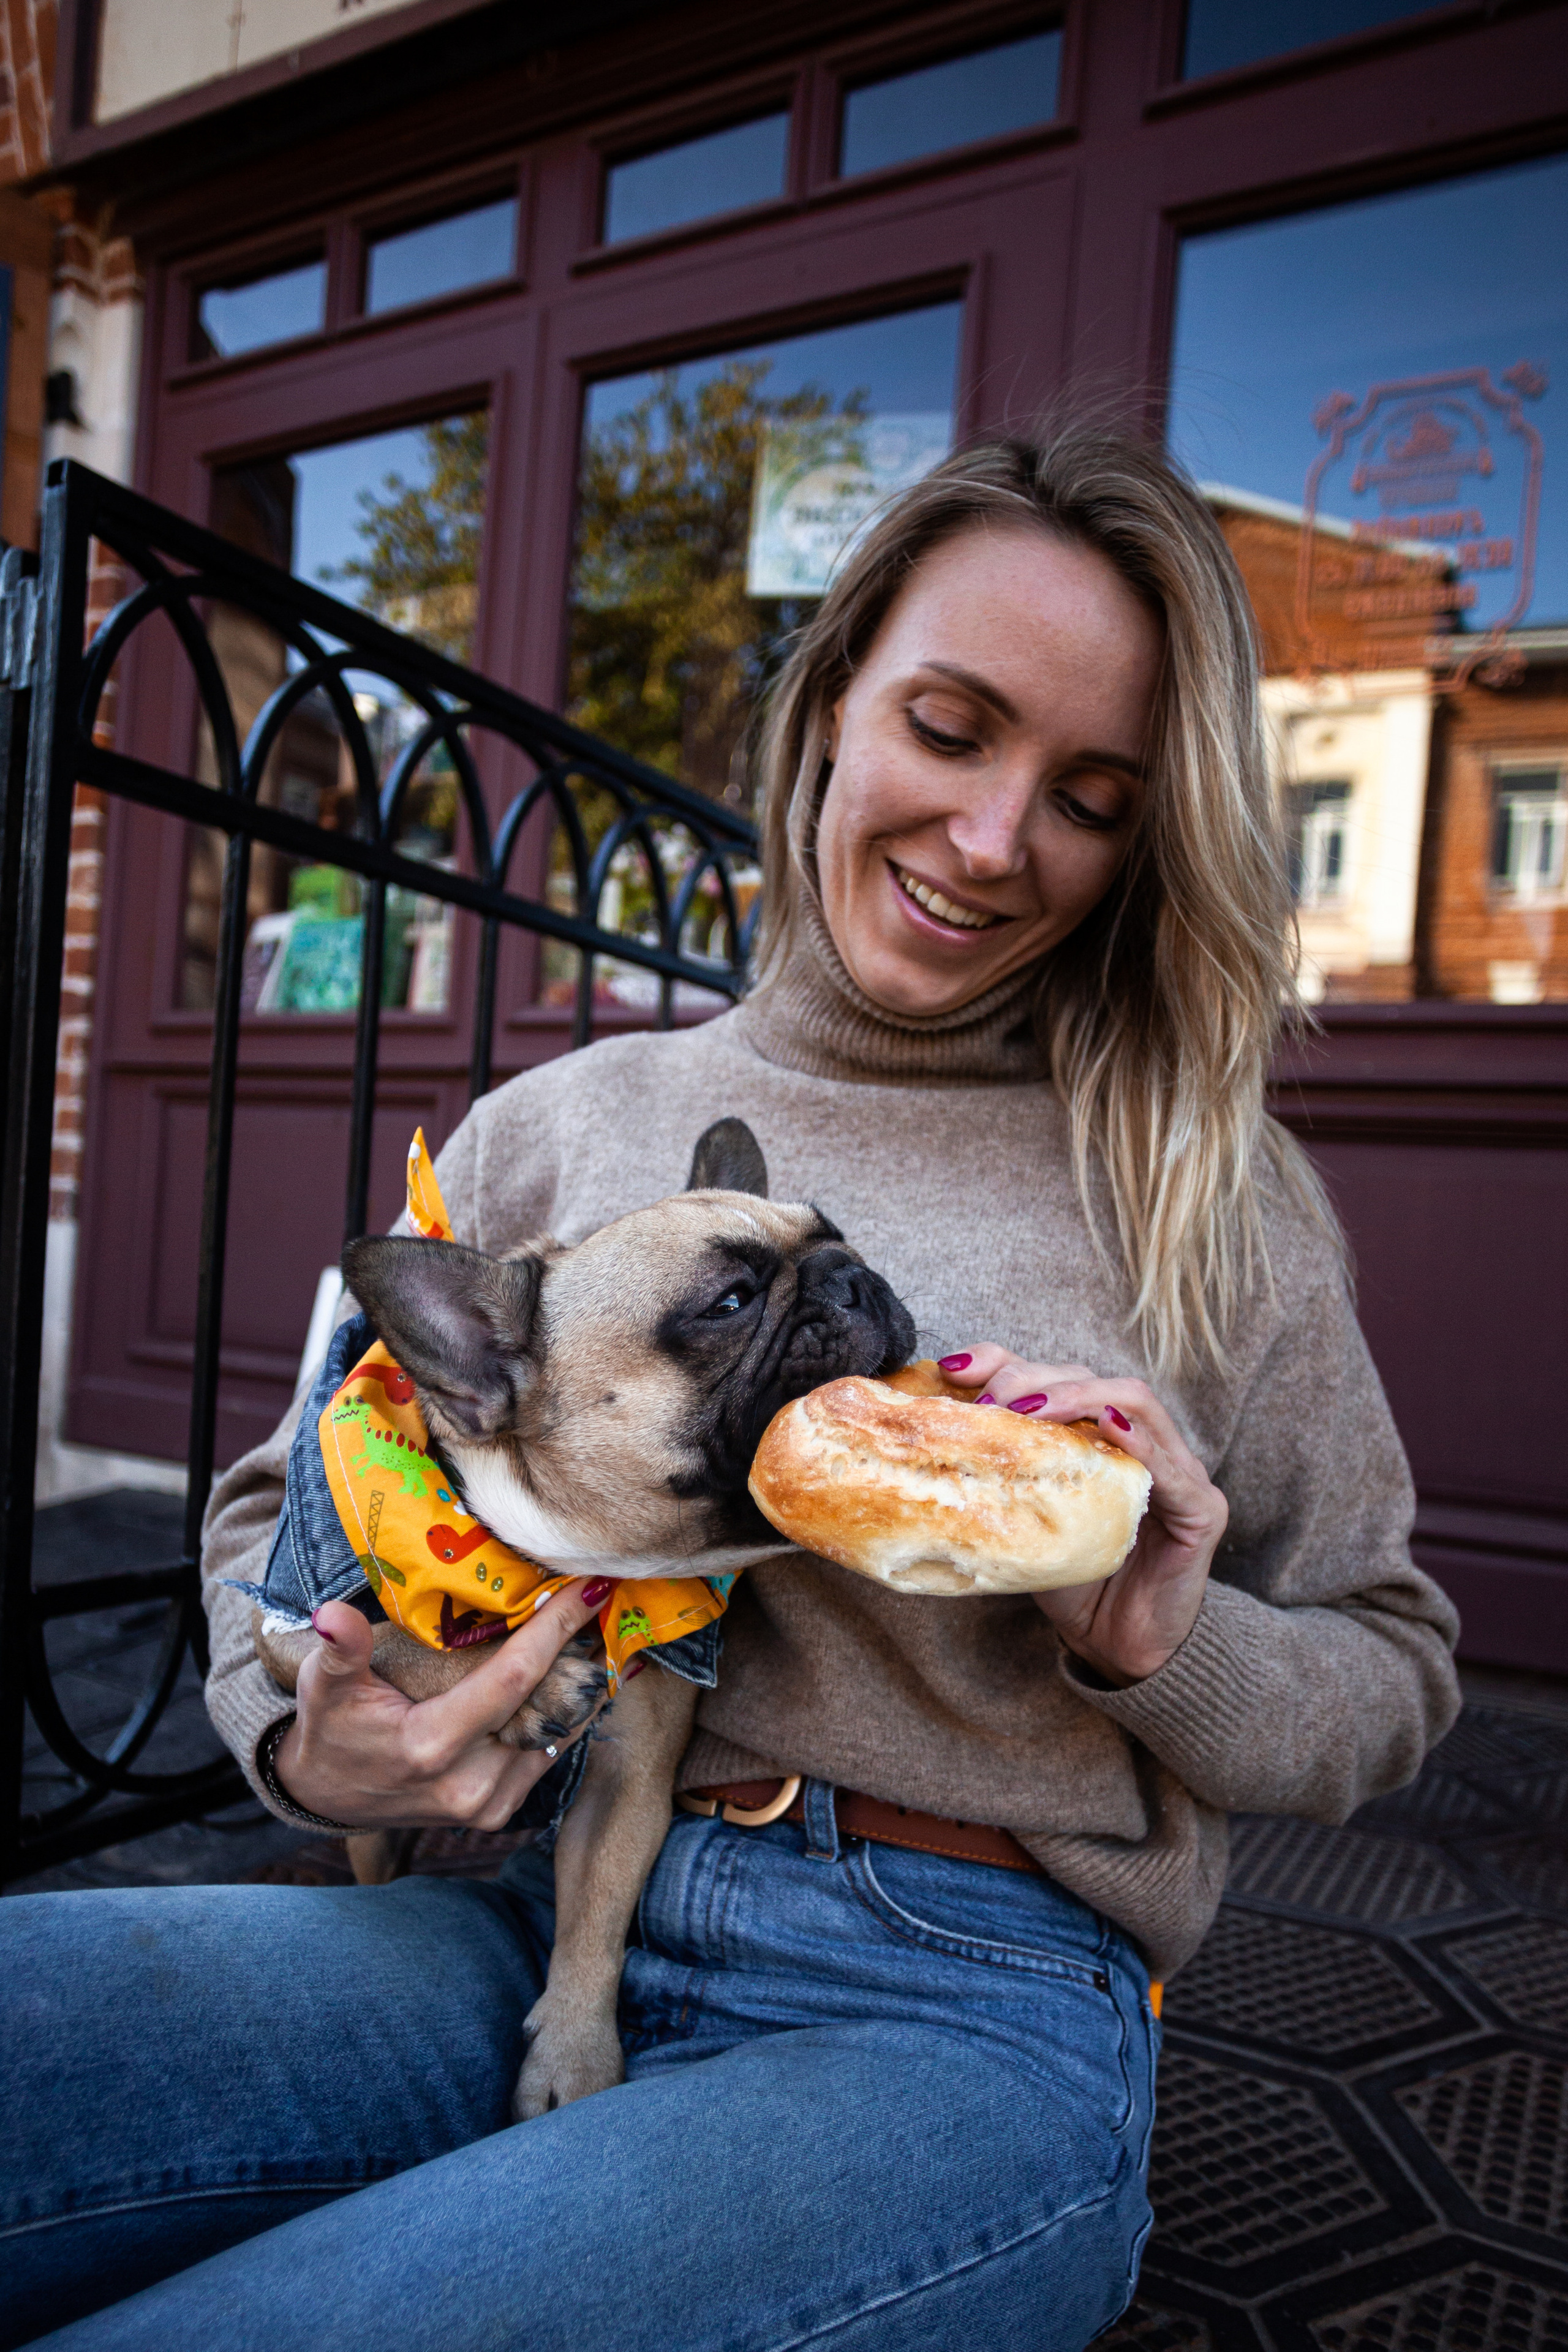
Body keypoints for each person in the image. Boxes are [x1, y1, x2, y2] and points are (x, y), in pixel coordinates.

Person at [0, 424, 1460, 2351]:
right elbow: (282, 1503)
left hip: (953, 2003)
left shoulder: (1209, 1193)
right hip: (514, 1918)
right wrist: (301, 1731)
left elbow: (1397, 1660)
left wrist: (1160, 1647)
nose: (996, 837)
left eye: (1092, 797)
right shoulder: (555, 1128)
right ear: (834, 696)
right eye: (950, 726)